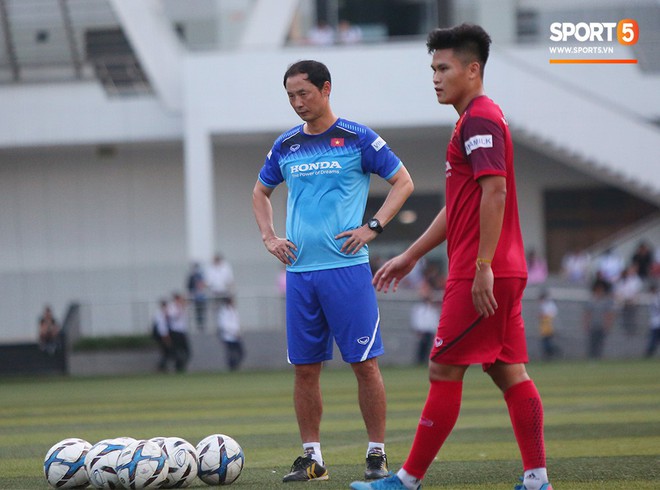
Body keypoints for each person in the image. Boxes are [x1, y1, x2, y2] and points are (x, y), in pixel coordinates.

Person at [350, 24, 552, 490]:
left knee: (443, 368)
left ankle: (405, 480)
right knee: (508, 371)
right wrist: (412, 255)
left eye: (444, 68)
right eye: (433, 68)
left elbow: (495, 193)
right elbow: (460, 206)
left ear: (473, 69)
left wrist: (482, 267)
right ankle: (537, 479)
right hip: (501, 268)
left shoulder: (480, 119)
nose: (435, 77)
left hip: (483, 270)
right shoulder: (472, 120)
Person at [252, 59, 414, 482]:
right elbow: (260, 191)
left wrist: (373, 227)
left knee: (364, 365)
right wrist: (270, 237)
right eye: (290, 96)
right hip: (301, 273)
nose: (297, 102)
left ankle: (376, 454)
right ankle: (312, 459)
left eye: (303, 93)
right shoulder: (286, 145)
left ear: (326, 89)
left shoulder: (358, 138)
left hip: (347, 270)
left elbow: (404, 182)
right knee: (305, 368)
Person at [583, 278, 616, 359]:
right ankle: (591, 358)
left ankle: (599, 358)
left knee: (600, 343)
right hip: (593, 325)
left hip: (601, 325)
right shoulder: (591, 300)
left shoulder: (606, 301)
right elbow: (587, 313)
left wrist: (608, 324)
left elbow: (609, 314)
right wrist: (586, 324)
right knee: (592, 343)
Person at [410, 282, 441, 365]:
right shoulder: (419, 308)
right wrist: (418, 330)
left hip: (430, 331)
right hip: (422, 331)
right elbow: (417, 319)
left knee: (429, 347)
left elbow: (434, 320)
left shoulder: (433, 309)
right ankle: (420, 361)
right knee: (421, 347)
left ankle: (427, 361)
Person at [216, 297, 245, 371]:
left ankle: (235, 366)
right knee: (230, 353)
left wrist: (239, 331)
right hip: (228, 336)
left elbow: (237, 323)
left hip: (236, 336)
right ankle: (231, 368)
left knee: (241, 352)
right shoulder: (223, 312)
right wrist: (233, 332)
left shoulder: (234, 311)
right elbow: (224, 325)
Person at [167, 292, 191, 372]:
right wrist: (179, 309)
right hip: (175, 331)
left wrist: (182, 307)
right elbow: (172, 317)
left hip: (182, 331)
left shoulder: (182, 307)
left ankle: (182, 366)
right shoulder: (172, 307)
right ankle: (178, 367)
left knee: (187, 351)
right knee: (177, 350)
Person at [153, 299, 174, 372]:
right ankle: (161, 367)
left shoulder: (163, 314)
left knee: (166, 352)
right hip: (163, 336)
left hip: (164, 335)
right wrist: (166, 337)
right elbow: (162, 327)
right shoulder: (160, 315)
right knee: (166, 352)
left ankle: (163, 367)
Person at [538, 289, 560, 360]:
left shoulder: (549, 305)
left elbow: (550, 315)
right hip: (544, 327)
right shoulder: (544, 305)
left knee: (547, 342)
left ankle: (554, 352)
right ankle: (549, 355)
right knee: (546, 342)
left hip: (549, 326)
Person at [186, 262, 207, 331]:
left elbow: (204, 285)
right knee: (197, 311)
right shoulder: (192, 277)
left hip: (201, 298)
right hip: (196, 297)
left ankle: (202, 325)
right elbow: (189, 286)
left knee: (202, 311)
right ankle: (199, 325)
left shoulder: (200, 276)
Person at [645, 283, 660, 357]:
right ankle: (649, 353)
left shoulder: (652, 298)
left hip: (655, 322)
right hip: (656, 322)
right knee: (653, 339)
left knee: (653, 339)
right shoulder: (655, 298)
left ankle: (649, 353)